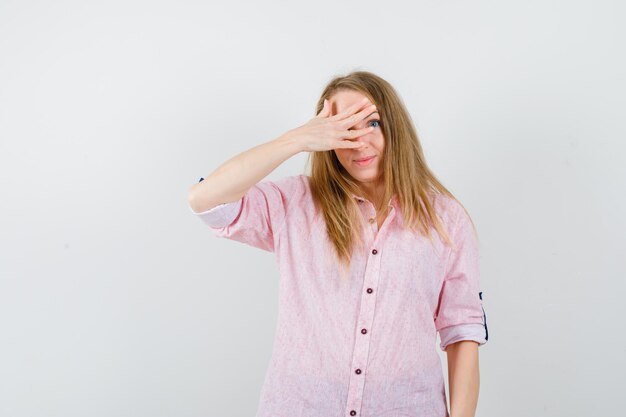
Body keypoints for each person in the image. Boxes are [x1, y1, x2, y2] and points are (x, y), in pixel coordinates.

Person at [188, 70, 489, 417]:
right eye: (343, 129)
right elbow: (205, 201)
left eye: (372, 123)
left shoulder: (446, 219)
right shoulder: (294, 203)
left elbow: (462, 333)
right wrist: (294, 140)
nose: (359, 142)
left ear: (395, 127)